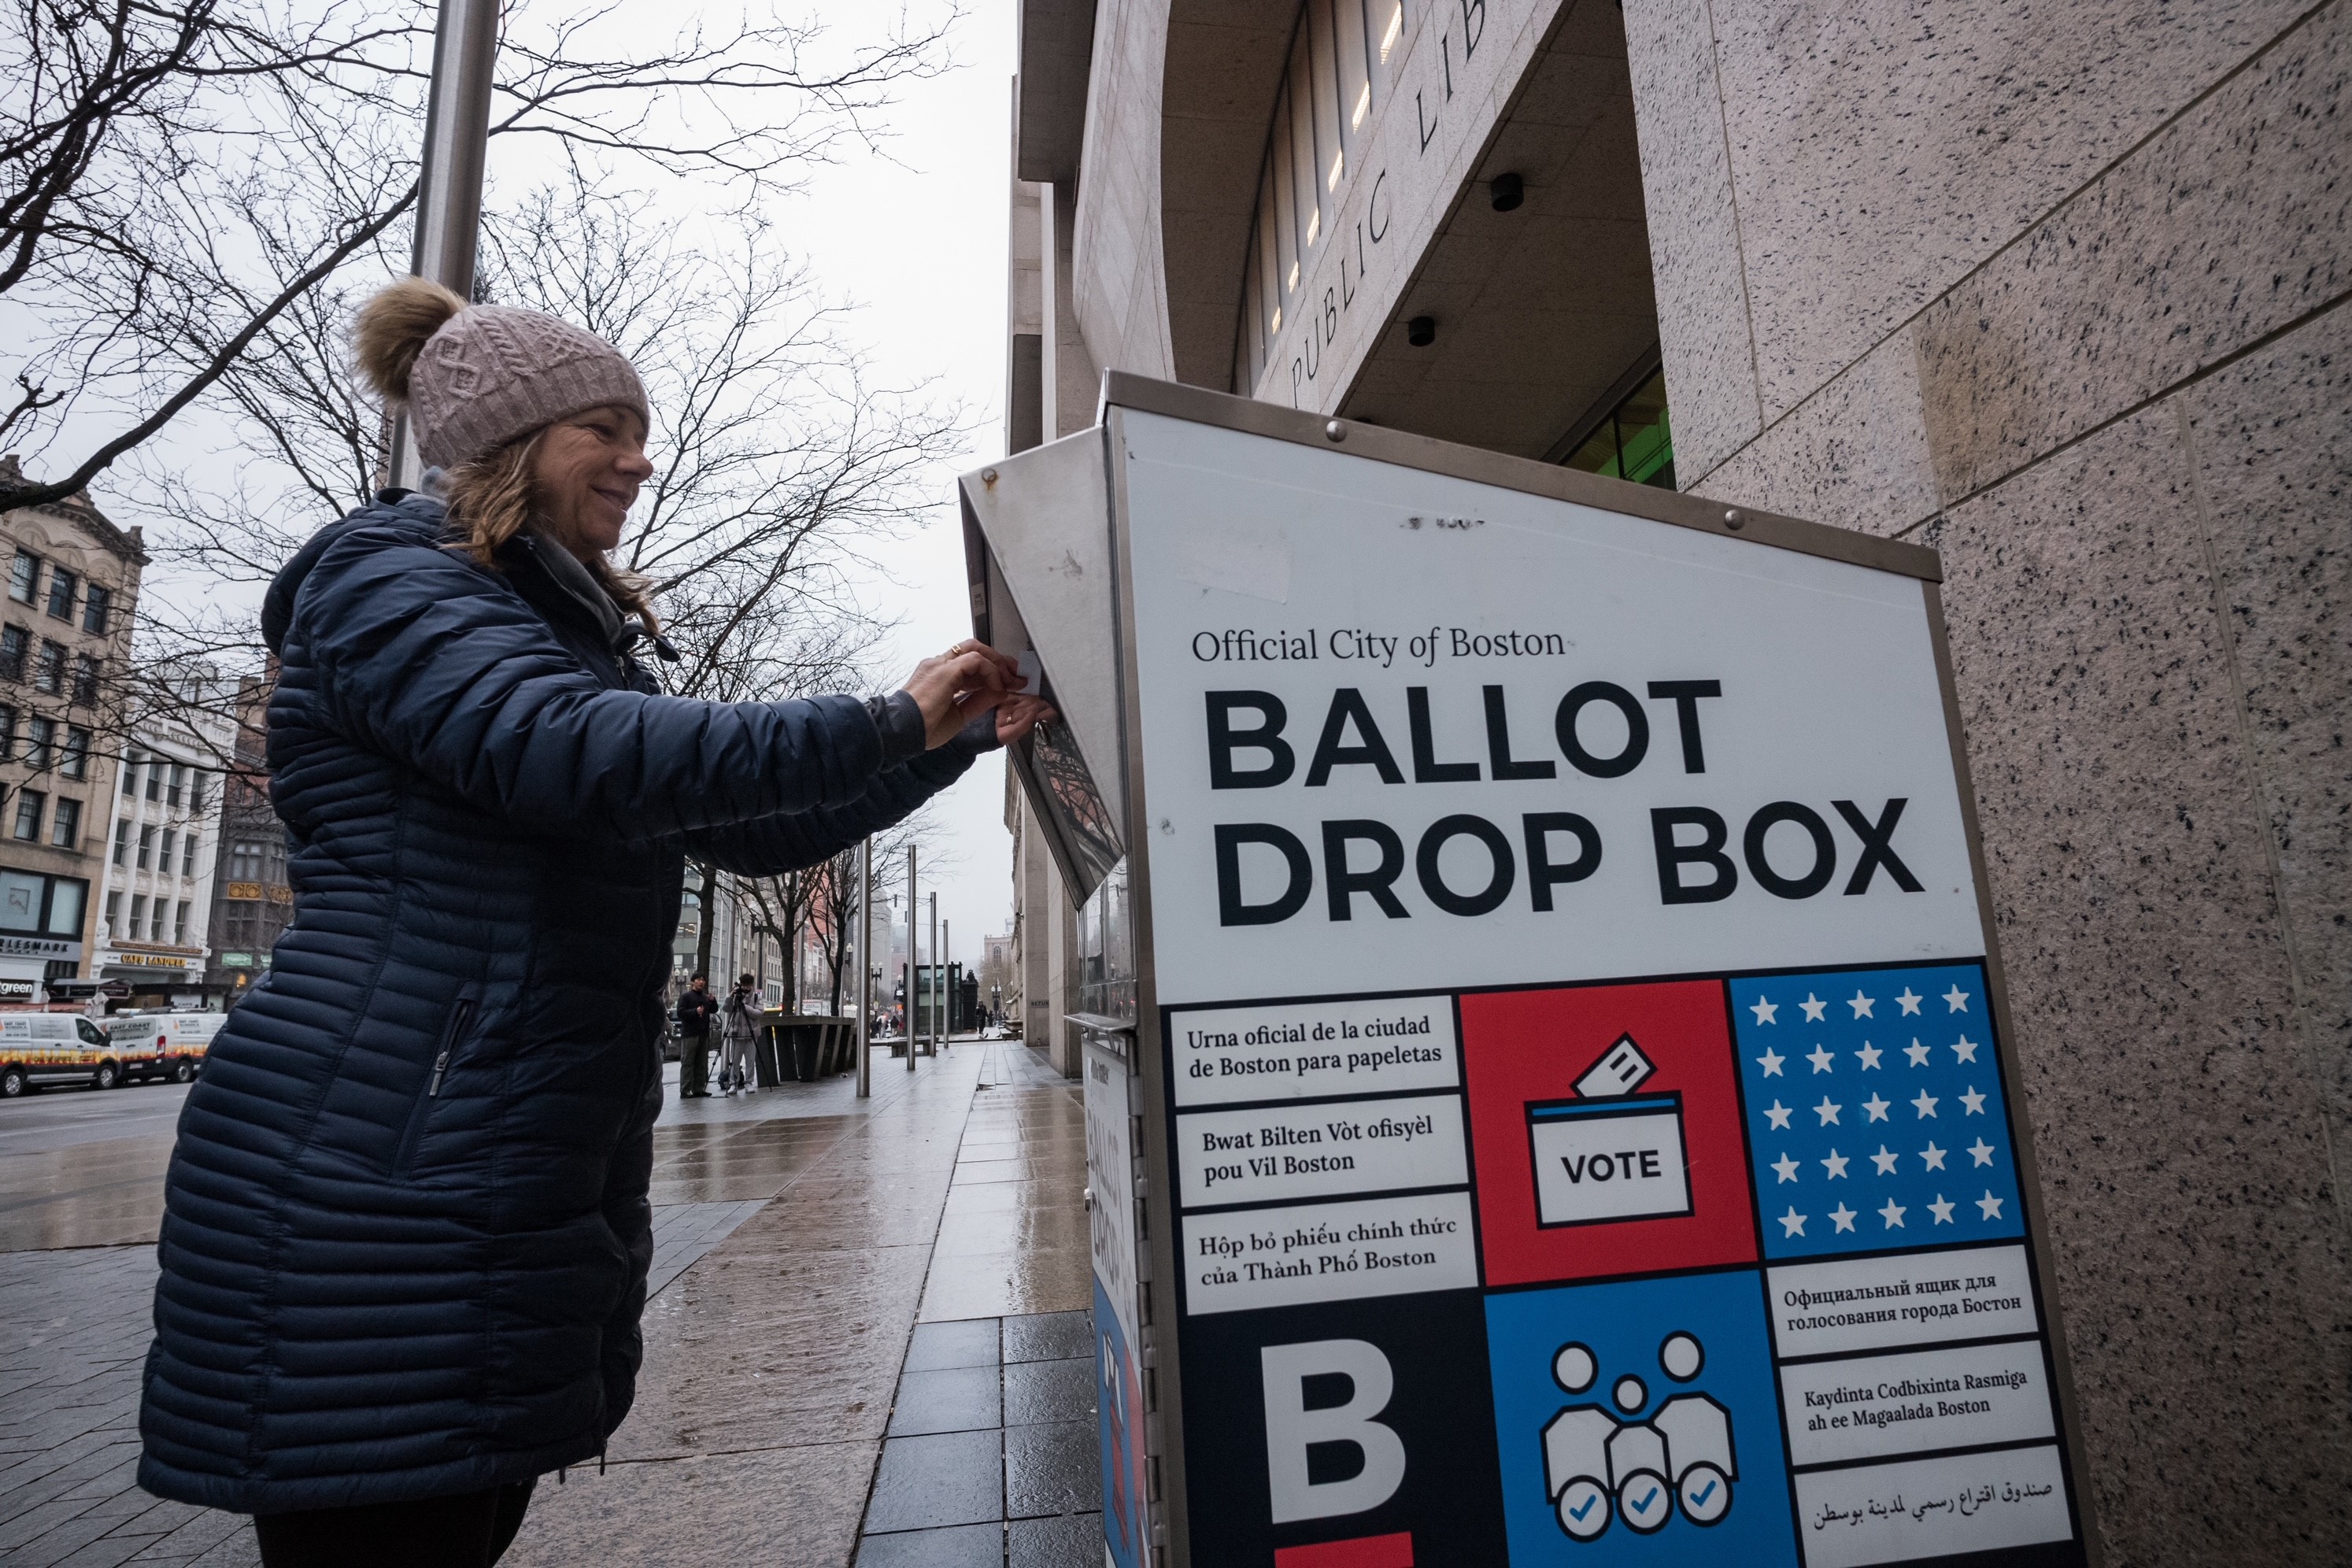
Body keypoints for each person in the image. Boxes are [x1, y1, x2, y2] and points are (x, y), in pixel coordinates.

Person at [135, 277, 1050, 1567]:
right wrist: (883, 716)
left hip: (488, 1153)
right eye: (603, 428)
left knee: (456, 1512)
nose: (638, 458)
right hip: (386, 1167)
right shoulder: (387, 582)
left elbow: (737, 828)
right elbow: (572, 751)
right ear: (514, 441)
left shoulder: (549, 625)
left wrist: (937, 743)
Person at [675, 974, 717, 1097]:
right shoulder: (686, 997)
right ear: (693, 982)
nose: (701, 982)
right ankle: (685, 1090)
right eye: (699, 980)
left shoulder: (705, 997)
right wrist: (695, 1012)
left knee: (701, 1062)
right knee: (688, 1062)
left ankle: (698, 1088)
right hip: (690, 1034)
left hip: (703, 1034)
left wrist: (713, 1001)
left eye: (703, 980)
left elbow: (713, 1010)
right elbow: (680, 1012)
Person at [717, 974, 760, 1095]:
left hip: (751, 1034)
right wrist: (731, 996)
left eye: (748, 985)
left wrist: (745, 1007)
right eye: (744, 985)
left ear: (751, 985)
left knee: (750, 1060)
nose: (746, 987)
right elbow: (726, 1009)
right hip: (737, 1033)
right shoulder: (736, 996)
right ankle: (733, 1083)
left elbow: (759, 1013)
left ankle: (748, 1083)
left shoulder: (756, 997)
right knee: (735, 1061)